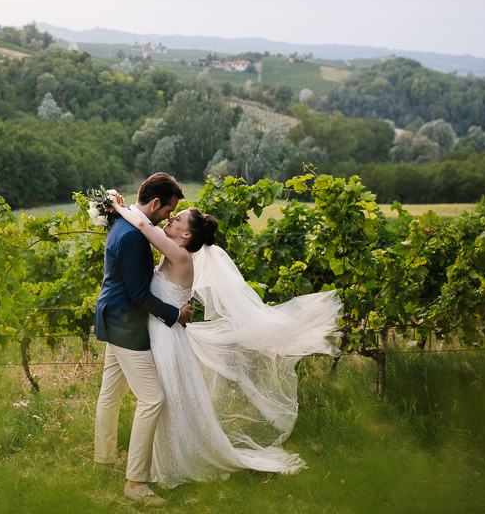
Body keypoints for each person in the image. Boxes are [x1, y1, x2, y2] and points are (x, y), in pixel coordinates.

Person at [108, 193, 342, 489]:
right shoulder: (172, 253)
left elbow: (142, 225)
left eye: (177, 218)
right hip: (163, 332)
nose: (171, 218)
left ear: (187, 235)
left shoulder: (179, 255)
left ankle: (170, 464)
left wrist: (118, 206)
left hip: (167, 338)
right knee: (167, 401)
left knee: (166, 399)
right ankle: (159, 462)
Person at [93, 173, 193, 507]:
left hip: (110, 315)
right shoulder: (135, 237)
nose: (168, 216)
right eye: (169, 210)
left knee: (111, 393)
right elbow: (138, 294)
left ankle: (103, 461)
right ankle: (135, 483)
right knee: (153, 400)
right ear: (154, 203)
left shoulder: (122, 225)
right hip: (125, 324)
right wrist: (175, 314)